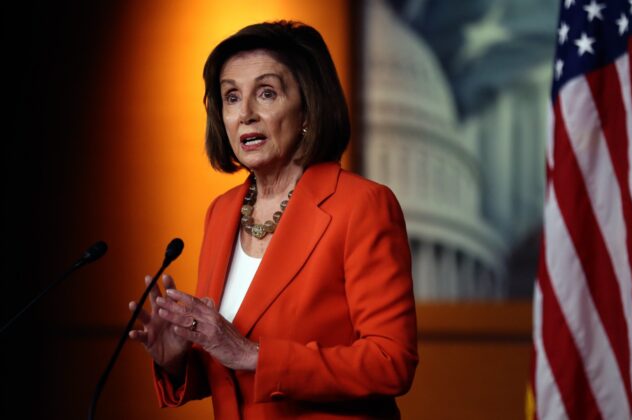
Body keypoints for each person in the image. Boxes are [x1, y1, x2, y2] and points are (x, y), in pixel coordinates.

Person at [128, 20, 418, 419]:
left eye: (266, 93)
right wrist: (178, 360)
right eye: (231, 97)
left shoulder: (361, 206)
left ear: (307, 110)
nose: (245, 114)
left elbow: (391, 362)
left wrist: (254, 354)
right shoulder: (222, 212)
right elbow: (230, 367)